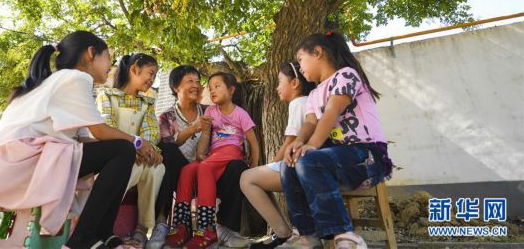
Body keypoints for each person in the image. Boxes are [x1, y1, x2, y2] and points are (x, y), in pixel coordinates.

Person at [0, 31, 155, 249]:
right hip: (24, 163)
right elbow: (100, 131)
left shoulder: (49, 82)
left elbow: (84, 141)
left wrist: (125, 148)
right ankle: (85, 238)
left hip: (2, 165)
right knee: (123, 150)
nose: (111, 65)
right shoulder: (76, 78)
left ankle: (104, 235)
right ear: (91, 53)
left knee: (119, 151)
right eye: (109, 57)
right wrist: (137, 142)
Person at [279, 31, 394, 249]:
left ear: (319, 53)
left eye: (301, 59)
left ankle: (346, 236)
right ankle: (307, 236)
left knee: (310, 159)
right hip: (337, 161)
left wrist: (312, 145)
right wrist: (299, 142)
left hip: (367, 156)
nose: (300, 67)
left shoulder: (346, 75)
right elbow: (310, 123)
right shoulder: (313, 95)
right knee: (291, 163)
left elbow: (332, 111)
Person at [153, 65, 249, 248]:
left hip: (210, 168)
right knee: (168, 150)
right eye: (190, 81)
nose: (196, 85)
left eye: (198, 81)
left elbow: (230, 133)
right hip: (178, 172)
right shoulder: (166, 117)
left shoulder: (210, 111)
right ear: (176, 87)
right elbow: (167, 146)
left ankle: (224, 229)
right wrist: (194, 128)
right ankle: (164, 224)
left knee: (237, 165)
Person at [240, 61, 315, 248]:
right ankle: (283, 233)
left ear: (295, 83)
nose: (277, 87)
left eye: (280, 81)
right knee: (258, 177)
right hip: (307, 164)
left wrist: (272, 163)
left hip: (300, 166)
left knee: (247, 179)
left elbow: (291, 141)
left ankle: (282, 232)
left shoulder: (299, 102)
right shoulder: (309, 101)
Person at [96, 53, 165, 248]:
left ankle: (142, 230)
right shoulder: (106, 95)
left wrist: (150, 151)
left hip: (140, 156)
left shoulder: (147, 103)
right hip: (113, 157)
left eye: (155, 76)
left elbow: (151, 132)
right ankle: (101, 225)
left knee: (157, 169)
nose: (152, 80)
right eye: (150, 74)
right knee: (126, 167)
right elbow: (106, 126)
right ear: (134, 69)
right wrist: (133, 148)